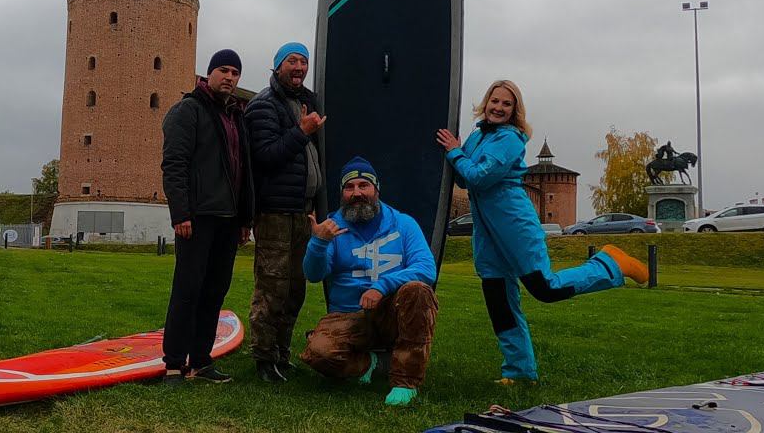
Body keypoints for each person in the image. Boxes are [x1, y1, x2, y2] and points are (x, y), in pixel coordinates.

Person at [436, 80, 649, 385]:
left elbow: (480, 177)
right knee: (498, 297)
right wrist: (458, 152)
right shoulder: (477, 135)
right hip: (487, 229)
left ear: (515, 111)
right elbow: (463, 179)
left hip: (513, 222)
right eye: (494, 101)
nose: (498, 108)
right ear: (486, 102)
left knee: (544, 288)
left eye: (506, 104)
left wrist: (456, 153)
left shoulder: (510, 139)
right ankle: (519, 371)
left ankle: (610, 263)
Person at [300, 157, 438, 407]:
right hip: (348, 315)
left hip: (392, 314)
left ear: (376, 189)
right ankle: (375, 363)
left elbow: (426, 268)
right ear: (342, 193)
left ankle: (405, 382)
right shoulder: (331, 227)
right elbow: (313, 274)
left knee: (418, 291)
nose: (357, 193)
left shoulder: (404, 224)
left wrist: (382, 286)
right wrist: (319, 242)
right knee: (318, 353)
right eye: (349, 187)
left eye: (364, 185)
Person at [160, 49, 255, 386]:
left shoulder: (236, 115)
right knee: (187, 289)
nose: (229, 77)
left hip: (228, 219)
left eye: (235, 72)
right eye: (223, 70)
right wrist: (181, 212)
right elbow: (174, 164)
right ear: (209, 73)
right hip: (198, 216)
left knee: (215, 291)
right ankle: (174, 363)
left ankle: (201, 360)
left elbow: (244, 171)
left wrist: (245, 219)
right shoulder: (188, 110)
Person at [244, 41, 328, 383]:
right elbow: (265, 156)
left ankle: (281, 352)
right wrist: (302, 131)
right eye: (292, 60)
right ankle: (263, 358)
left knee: (295, 288)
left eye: (303, 61)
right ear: (278, 65)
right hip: (275, 212)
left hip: (302, 211)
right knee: (272, 287)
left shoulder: (309, 102)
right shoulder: (264, 105)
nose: (299, 67)